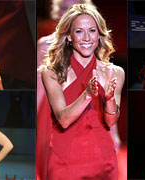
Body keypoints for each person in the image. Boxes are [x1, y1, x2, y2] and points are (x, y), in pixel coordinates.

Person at [39, 4, 125, 179]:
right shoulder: (51, 72)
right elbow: (63, 119)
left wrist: (109, 101)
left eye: (92, 31)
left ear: (99, 35)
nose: (87, 38)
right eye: (79, 32)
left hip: (102, 157)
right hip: (64, 157)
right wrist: (86, 95)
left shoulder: (115, 72)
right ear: (69, 36)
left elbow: (111, 121)